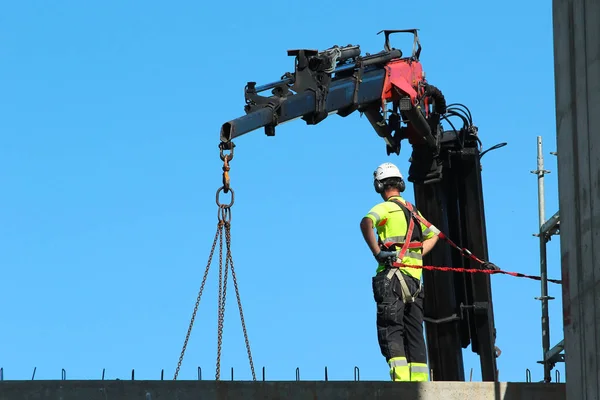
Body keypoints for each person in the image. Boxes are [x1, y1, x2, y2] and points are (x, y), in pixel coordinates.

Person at [360, 162, 440, 382]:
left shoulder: (385, 208)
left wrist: (377, 252)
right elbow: (434, 234)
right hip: (415, 281)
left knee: (391, 328)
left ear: (379, 185)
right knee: (415, 332)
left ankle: (401, 382)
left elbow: (366, 223)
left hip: (392, 278)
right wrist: (417, 254)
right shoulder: (413, 211)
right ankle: (420, 383)